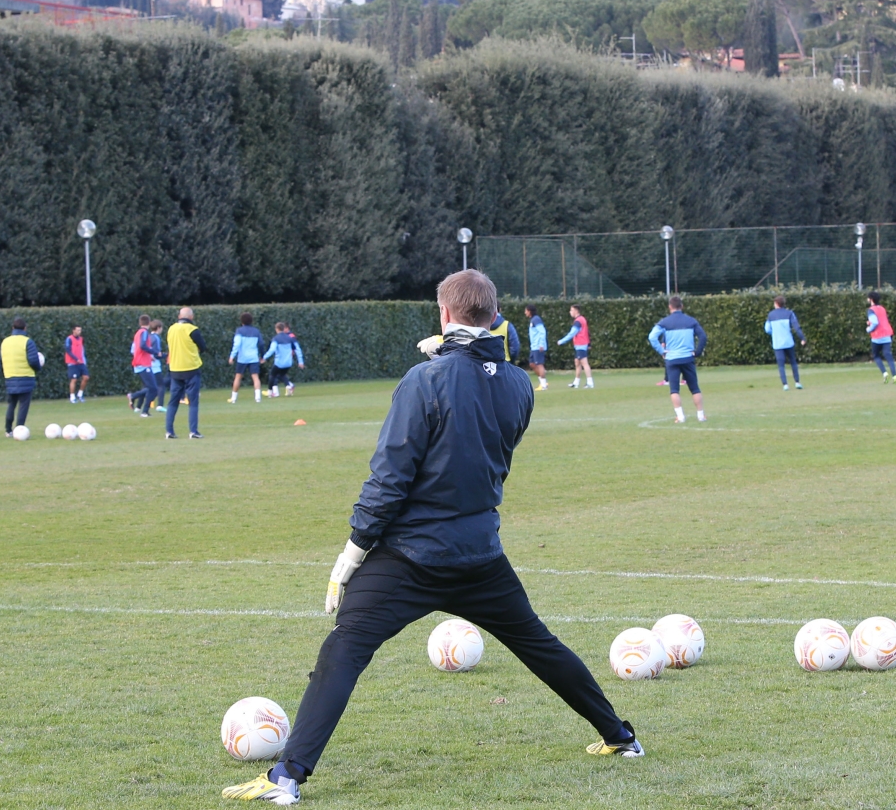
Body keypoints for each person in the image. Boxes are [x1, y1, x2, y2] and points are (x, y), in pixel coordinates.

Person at [220, 269, 642, 805]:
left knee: (344, 651)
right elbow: (487, 422)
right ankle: (621, 737)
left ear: (443, 315)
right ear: (494, 313)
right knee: (540, 646)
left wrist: (351, 553)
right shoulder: (518, 385)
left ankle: (287, 778)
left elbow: (389, 478)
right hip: (479, 553)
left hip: (410, 557)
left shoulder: (424, 379)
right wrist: (455, 357)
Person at [648, 296, 707, 423]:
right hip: (687, 358)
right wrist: (697, 352)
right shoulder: (691, 321)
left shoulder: (664, 322)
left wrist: (662, 351)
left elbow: (652, 337)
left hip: (672, 359)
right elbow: (703, 337)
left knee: (674, 389)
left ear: (670, 307)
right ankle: (701, 416)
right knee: (694, 388)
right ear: (682, 306)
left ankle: (680, 417)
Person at [165, 307, 206, 439]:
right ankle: (193, 431)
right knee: (193, 401)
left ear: (179, 316)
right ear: (191, 317)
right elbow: (203, 347)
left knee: (173, 401)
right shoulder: (192, 330)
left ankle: (169, 431)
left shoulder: (171, 329)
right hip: (191, 368)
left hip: (175, 368)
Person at [0, 317, 44, 436]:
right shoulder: (28, 341)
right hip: (26, 377)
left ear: (13, 328)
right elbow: (33, 361)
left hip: (10, 377)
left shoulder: (5, 342)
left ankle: (8, 430)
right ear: (25, 328)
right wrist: (38, 368)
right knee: (23, 405)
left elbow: (0, 361)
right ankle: (19, 430)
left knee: (11, 404)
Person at [763, 296, 806, 391]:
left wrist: (774, 333)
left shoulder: (771, 315)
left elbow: (767, 329)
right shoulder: (790, 313)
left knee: (781, 365)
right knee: (793, 362)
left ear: (776, 304)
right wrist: (802, 338)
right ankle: (797, 382)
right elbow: (796, 327)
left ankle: (785, 385)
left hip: (778, 344)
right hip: (788, 342)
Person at [229, 312, 264, 404]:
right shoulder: (256, 331)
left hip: (242, 358)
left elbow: (236, 344)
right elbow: (261, 344)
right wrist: (262, 356)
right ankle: (258, 398)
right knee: (255, 377)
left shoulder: (239, 331)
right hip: (253, 357)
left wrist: (232, 356)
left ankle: (233, 398)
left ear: (242, 321)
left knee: (238, 377)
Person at [262, 322, 304, 398]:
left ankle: (270, 392)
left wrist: (264, 357)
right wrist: (300, 361)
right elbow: (297, 349)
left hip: (279, 362)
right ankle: (288, 386)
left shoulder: (276, 339)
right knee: (282, 375)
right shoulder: (290, 339)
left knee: (272, 375)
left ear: (277, 329)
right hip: (288, 362)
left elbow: (272, 350)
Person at [865, 291, 896, 383]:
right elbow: (882, 320)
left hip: (877, 336)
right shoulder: (882, 308)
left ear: (871, 299)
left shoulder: (871, 310)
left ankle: (884, 373)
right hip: (887, 334)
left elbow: (875, 322)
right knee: (888, 356)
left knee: (876, 356)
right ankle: (894, 376)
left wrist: (868, 329)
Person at [128, 315, 157, 418]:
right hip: (143, 364)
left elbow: (135, 349)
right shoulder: (144, 332)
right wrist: (153, 352)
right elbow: (143, 345)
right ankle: (144, 411)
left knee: (150, 388)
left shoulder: (138, 333)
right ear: (149, 323)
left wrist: (149, 356)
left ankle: (135, 398)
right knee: (153, 389)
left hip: (141, 362)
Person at [558, 305, 593, 388]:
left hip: (581, 344)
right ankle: (576, 383)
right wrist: (589, 343)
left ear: (576, 311)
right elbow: (587, 332)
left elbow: (572, 333)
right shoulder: (582, 319)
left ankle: (590, 382)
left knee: (584, 363)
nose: (570, 312)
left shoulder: (578, 321)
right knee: (577, 363)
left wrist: (561, 341)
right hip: (580, 344)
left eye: (571, 310)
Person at [524, 305, 548, 390]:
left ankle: (544, 385)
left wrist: (541, 344)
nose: (525, 312)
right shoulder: (533, 320)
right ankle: (542, 382)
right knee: (532, 364)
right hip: (534, 346)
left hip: (538, 346)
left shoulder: (536, 319)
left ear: (529, 311)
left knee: (539, 364)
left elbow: (542, 332)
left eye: (526, 310)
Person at [65, 325, 89, 403]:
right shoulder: (69, 339)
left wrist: (83, 360)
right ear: (73, 330)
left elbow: (82, 350)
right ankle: (72, 397)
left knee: (86, 377)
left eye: (80, 330)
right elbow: (68, 350)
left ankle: (80, 394)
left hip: (81, 362)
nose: (79, 331)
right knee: (74, 379)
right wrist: (76, 359)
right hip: (72, 363)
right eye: (78, 330)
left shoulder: (81, 339)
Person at [149, 319, 169, 411]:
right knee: (160, 385)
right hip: (155, 365)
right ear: (158, 328)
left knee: (149, 385)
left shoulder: (148, 336)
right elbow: (156, 354)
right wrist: (166, 355)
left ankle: (141, 405)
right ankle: (160, 405)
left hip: (148, 364)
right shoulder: (156, 338)